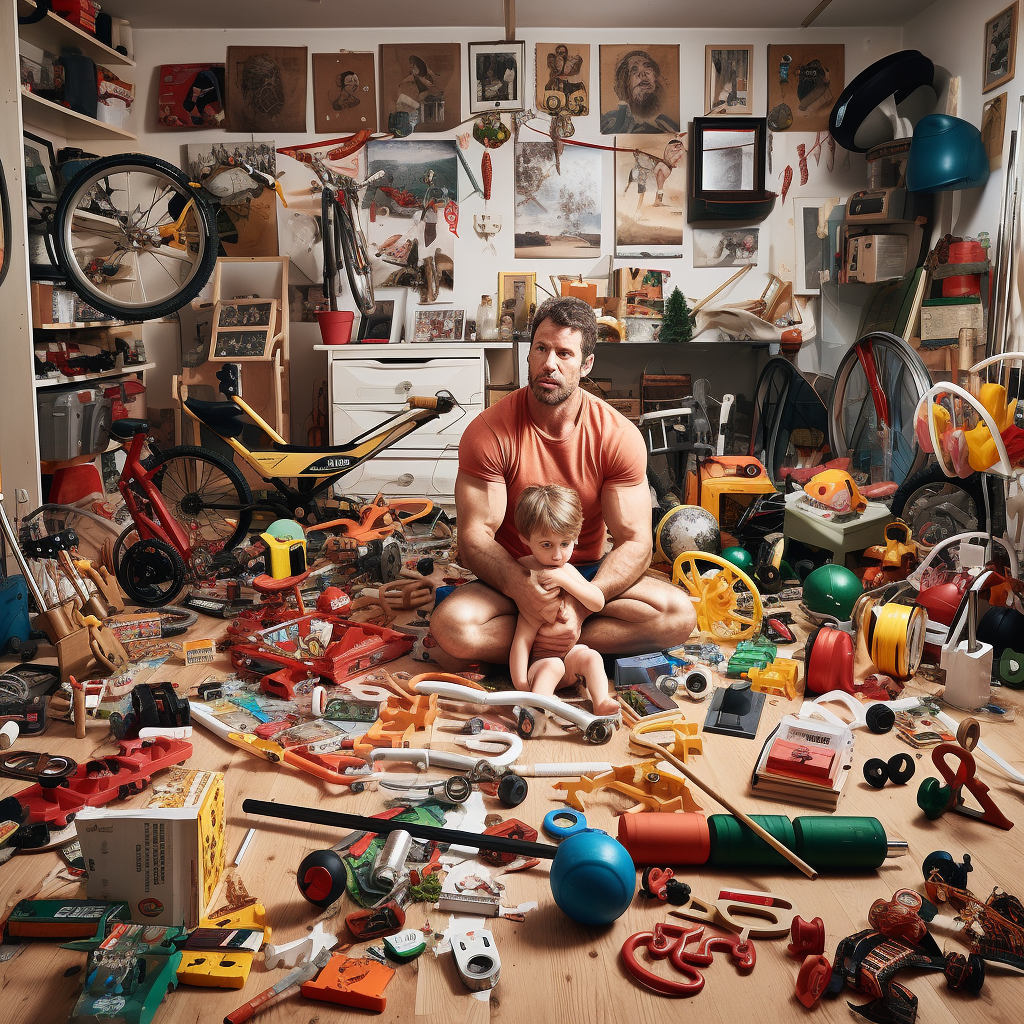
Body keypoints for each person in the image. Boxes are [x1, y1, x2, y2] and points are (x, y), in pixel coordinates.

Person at [429, 296, 696, 669]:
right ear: (528, 354)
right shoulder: (488, 432)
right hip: (513, 571)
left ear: (585, 364)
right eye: (541, 348)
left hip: (586, 573)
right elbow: (474, 537)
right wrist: (525, 592)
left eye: (564, 354)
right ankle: (570, 647)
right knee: (453, 627)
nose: (549, 364)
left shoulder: (617, 435)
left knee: (679, 616)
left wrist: (579, 606)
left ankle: (542, 643)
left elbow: (635, 542)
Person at [509, 485, 618, 715]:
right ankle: (540, 703)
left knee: (590, 655)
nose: (557, 555)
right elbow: (522, 639)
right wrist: (520, 683)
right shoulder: (527, 574)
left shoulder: (564, 570)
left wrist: (565, 580)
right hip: (539, 666)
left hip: (568, 660)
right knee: (553, 665)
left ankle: (601, 701)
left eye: (565, 544)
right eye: (546, 545)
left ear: (576, 538)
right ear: (525, 539)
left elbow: (597, 602)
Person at [601, 49, 679, 134]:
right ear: (624, 83)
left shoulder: (668, 124)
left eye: (648, 66)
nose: (643, 74)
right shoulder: (610, 123)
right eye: (634, 69)